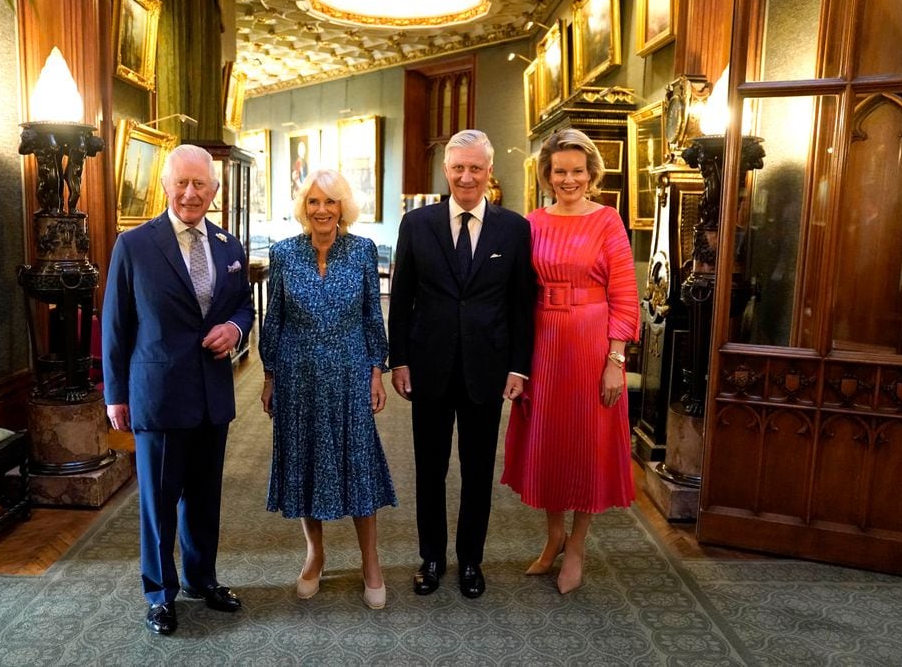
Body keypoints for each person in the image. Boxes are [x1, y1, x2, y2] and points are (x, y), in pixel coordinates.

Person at [102, 144, 255, 635]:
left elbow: (244, 306)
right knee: (159, 503)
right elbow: (115, 325)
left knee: (205, 498)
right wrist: (115, 395)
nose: (191, 193)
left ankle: (201, 580)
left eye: (200, 184)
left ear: (215, 190)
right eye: (182, 183)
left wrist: (235, 329)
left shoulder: (229, 246)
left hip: (213, 395)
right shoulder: (134, 245)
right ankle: (159, 594)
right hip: (159, 395)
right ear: (165, 186)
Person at [388, 129, 534, 599]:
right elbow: (402, 297)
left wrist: (518, 367)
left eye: (475, 168)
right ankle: (431, 558)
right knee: (429, 470)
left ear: (489, 172)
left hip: (486, 370)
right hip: (428, 367)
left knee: (477, 472)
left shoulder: (514, 228)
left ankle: (471, 560)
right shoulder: (417, 224)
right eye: (458, 168)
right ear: (446, 171)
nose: (466, 176)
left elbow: (520, 305)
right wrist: (400, 359)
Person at [501, 128, 640, 594]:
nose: (568, 179)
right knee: (550, 442)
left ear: (591, 173)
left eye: (577, 171)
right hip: (543, 343)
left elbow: (625, 294)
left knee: (586, 444)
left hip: (590, 343)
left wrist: (615, 359)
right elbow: (518, 292)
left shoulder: (607, 221)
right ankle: (553, 536)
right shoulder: (533, 222)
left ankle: (577, 545)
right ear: (547, 174)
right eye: (559, 171)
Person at [259, 169, 396, 610]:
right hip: (297, 374)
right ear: (304, 207)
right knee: (305, 460)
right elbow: (273, 319)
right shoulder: (283, 254)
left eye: (330, 202)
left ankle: (370, 561)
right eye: (314, 202)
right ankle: (315, 554)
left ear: (343, 208)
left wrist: (377, 371)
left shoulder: (361, 251)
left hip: (350, 370)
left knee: (357, 462)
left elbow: (373, 317)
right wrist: (268, 375)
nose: (322, 210)